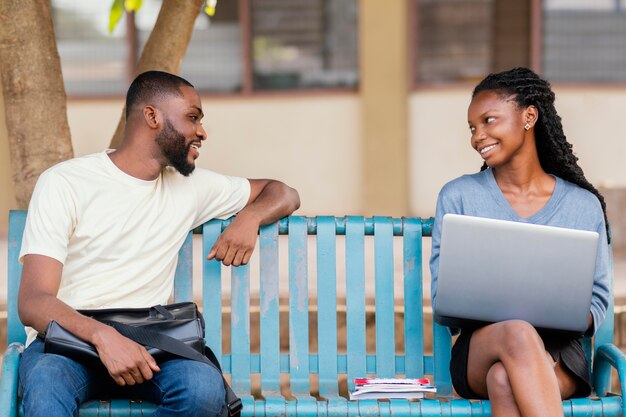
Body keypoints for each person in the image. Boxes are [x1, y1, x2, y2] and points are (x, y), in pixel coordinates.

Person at [17, 70, 300, 417]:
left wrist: (250, 218)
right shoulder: (66, 183)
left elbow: (283, 192)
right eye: (192, 117)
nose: (202, 132)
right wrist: (104, 337)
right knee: (45, 387)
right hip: (68, 343)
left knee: (203, 391)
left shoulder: (191, 187)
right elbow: (33, 301)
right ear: (152, 116)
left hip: (149, 342)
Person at [429, 67, 610, 417]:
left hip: (559, 354)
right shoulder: (458, 196)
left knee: (504, 380)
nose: (477, 136)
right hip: (481, 348)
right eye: (472, 127)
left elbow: (598, 300)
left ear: (528, 117)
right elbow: (442, 303)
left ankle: (527, 351)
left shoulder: (582, 206)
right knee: (516, 334)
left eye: (488, 120)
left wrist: (568, 313)